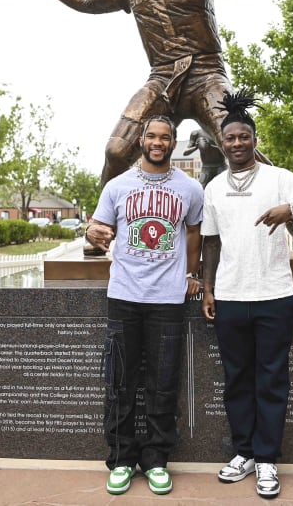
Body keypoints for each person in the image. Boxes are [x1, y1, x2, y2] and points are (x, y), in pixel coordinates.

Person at [12, 0, 293, 257]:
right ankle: (101, 229)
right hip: (162, 78)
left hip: (206, 74)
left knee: (239, 146)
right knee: (116, 150)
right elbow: (89, 1)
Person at [200, 90, 293, 498]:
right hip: (232, 296)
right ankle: (245, 454)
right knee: (236, 380)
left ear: (254, 140)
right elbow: (211, 243)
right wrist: (207, 287)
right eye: (230, 139)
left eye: (243, 137)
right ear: (222, 143)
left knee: (271, 379)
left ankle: (267, 459)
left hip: (274, 295)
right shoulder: (214, 188)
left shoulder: (279, 179)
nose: (237, 143)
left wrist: (290, 210)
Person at [84, 114, 204, 495]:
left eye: (164, 137)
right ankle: (120, 459)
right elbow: (98, 228)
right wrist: (91, 231)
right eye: (151, 136)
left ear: (173, 142)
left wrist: (191, 273)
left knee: (163, 383)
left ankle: (155, 460)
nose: (157, 142)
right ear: (140, 140)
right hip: (124, 296)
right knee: (120, 381)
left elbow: (195, 231)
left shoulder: (189, 188)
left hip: (167, 299)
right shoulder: (117, 186)